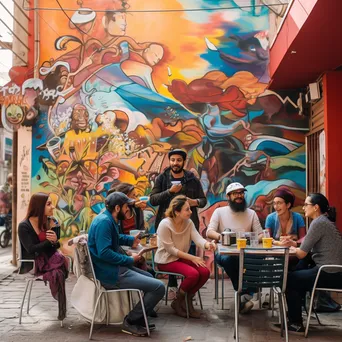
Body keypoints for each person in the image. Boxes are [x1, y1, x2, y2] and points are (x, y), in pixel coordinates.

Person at [87, 192, 165, 337]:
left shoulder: (108, 218)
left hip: (116, 268)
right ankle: (131, 320)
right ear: (117, 208)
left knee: (149, 275)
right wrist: (130, 260)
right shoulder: (104, 222)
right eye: (126, 207)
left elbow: (114, 237)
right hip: (110, 274)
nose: (128, 209)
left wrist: (130, 240)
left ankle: (139, 318)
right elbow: (104, 253)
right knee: (159, 287)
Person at [271, 193, 342, 335]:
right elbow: (307, 246)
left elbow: (301, 253)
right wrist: (295, 244)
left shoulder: (318, 223)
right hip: (332, 271)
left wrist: (292, 248)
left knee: (290, 279)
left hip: (329, 272)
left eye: (306, 204)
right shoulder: (323, 221)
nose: (303, 207)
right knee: (297, 271)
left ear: (315, 207)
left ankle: (295, 323)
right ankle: (295, 315)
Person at [149, 148, 207, 299]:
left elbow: (203, 200)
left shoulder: (191, 179)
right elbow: (153, 199)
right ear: (170, 161)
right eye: (173, 160)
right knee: (171, 255)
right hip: (168, 226)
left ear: (183, 162)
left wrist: (194, 202)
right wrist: (169, 191)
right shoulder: (162, 178)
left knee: (191, 256)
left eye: (179, 160)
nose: (175, 163)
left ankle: (188, 289)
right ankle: (173, 287)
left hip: (188, 224)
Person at [155, 195, 215, 318]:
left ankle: (186, 299)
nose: (190, 212)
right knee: (193, 274)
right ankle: (178, 301)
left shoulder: (188, 222)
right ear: (177, 212)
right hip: (165, 259)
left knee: (204, 272)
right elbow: (170, 250)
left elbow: (198, 239)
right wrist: (192, 258)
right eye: (187, 209)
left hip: (180, 258)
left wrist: (208, 245)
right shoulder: (164, 224)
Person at [206, 182, 263, 313]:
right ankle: (244, 293)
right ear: (228, 196)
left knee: (257, 259)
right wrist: (224, 238)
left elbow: (260, 234)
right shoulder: (219, 212)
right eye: (236, 193)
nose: (239, 196)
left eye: (241, 193)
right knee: (231, 260)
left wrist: (248, 239)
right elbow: (209, 231)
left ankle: (244, 296)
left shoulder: (251, 213)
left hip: (246, 251)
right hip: (224, 253)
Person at [18, 193, 68, 321]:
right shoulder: (24, 226)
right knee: (60, 267)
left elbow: (55, 245)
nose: (53, 207)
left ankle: (62, 310)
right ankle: (62, 308)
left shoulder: (51, 222)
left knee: (60, 268)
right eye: (49, 204)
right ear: (39, 206)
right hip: (34, 264)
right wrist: (49, 242)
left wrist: (54, 241)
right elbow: (31, 249)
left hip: (49, 260)